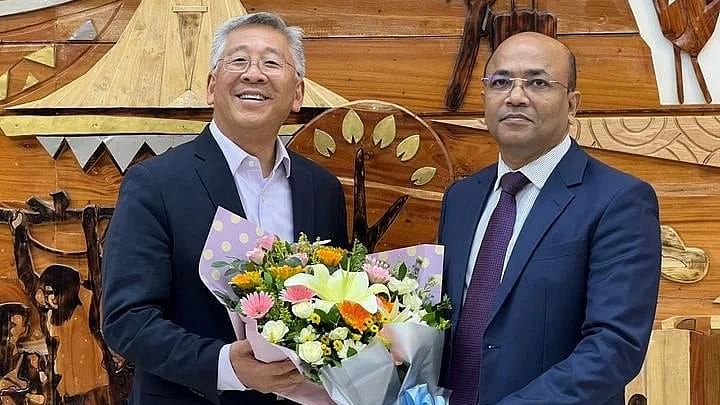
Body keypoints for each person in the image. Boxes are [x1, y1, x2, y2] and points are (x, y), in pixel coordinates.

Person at [101, 12, 348, 405]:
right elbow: (126, 320)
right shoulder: (156, 183)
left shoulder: (323, 190)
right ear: (212, 87)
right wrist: (225, 366)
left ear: (298, 94)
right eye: (238, 60)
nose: (254, 73)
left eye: (271, 62)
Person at [438, 32, 661, 405]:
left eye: (538, 82)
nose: (516, 96)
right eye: (501, 82)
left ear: (572, 105)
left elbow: (614, 346)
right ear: (484, 99)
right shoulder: (460, 199)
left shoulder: (618, 200)